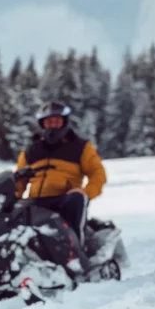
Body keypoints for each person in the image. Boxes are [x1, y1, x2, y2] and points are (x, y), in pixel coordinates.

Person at [16, 102, 107, 244]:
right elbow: (19, 179)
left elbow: (98, 173)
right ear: (42, 124)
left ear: (64, 122)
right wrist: (12, 199)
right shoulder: (31, 150)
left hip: (64, 199)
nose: (52, 125)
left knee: (76, 199)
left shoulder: (80, 147)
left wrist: (86, 192)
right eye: (49, 122)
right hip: (35, 201)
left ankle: (77, 248)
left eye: (57, 121)